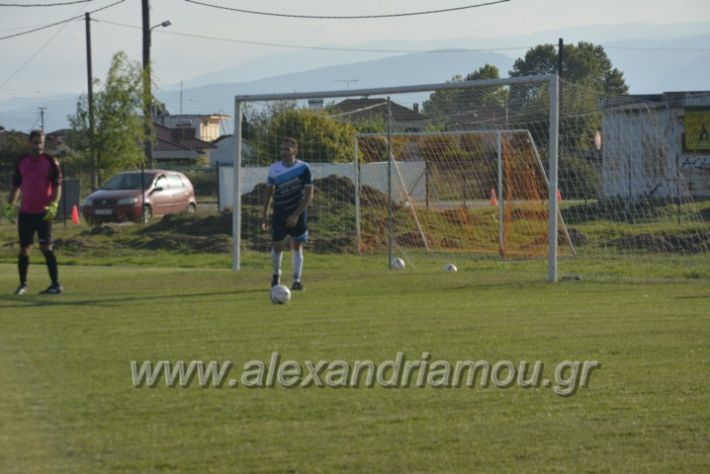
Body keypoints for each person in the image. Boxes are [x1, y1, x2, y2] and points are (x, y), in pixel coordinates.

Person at [8, 130, 63, 295]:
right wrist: (9, 205)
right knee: (24, 249)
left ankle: (55, 285)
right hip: (26, 213)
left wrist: (54, 205)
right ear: (29, 143)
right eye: (35, 142)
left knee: (46, 246)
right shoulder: (21, 162)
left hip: (43, 213)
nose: (38, 145)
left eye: (41, 142)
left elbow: (57, 186)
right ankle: (23, 285)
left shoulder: (51, 161)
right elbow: (16, 186)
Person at [261, 137, 314, 291]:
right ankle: (276, 276)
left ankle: (297, 280)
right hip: (279, 213)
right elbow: (268, 193)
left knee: (296, 246)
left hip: (298, 212)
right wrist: (265, 215)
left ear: (295, 151)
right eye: (282, 149)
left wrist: (296, 215)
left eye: (287, 149)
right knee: (277, 246)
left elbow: (309, 194)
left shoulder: (304, 168)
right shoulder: (274, 168)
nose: (283, 152)